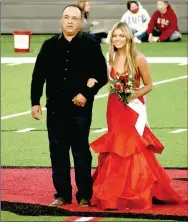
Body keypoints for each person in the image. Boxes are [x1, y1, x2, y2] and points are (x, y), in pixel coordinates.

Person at [87, 22, 184, 210]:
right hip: (114, 108)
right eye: (114, 36)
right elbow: (106, 79)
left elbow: (149, 85)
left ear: (129, 37)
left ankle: (137, 191)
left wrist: (132, 95)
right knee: (116, 146)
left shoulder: (138, 58)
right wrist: (92, 80)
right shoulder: (110, 57)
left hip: (133, 109)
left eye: (121, 36)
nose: (117, 39)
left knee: (133, 146)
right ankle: (114, 193)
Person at [30, 4, 108, 207]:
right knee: (57, 152)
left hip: (80, 110)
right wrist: (35, 102)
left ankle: (84, 195)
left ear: (81, 21)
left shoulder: (91, 45)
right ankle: (62, 194)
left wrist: (86, 93)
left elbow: (102, 75)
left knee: (81, 152)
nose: (70, 21)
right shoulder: (49, 45)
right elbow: (38, 76)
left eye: (74, 18)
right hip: (55, 109)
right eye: (66, 17)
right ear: (61, 20)